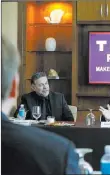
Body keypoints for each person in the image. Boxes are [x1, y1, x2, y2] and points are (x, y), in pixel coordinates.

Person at [1, 36, 81, 175]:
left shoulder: (59, 97)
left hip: (57, 133)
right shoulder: (27, 99)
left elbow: (70, 119)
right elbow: (17, 120)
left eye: (46, 84)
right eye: (41, 85)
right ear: (32, 87)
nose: (45, 87)